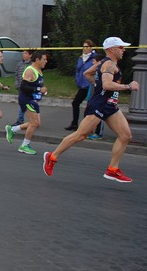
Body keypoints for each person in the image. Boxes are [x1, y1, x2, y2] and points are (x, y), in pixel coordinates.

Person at [43, 37, 139, 183]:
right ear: (112, 49)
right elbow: (107, 85)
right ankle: (52, 156)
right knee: (81, 135)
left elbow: (87, 73)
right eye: (121, 47)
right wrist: (128, 86)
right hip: (100, 104)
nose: (123, 50)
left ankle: (112, 170)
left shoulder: (105, 63)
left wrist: (97, 84)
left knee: (125, 136)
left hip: (110, 105)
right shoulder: (108, 64)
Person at [4, 50, 48, 155]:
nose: (46, 62)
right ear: (37, 60)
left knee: (37, 123)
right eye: (44, 59)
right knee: (34, 123)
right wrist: (38, 89)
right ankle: (24, 145)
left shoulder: (39, 70)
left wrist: (42, 91)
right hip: (26, 99)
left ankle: (12, 129)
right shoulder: (30, 70)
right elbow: (23, 86)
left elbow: (35, 86)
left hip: (33, 100)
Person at [64, 39, 96, 131]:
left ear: (91, 48)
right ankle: (74, 123)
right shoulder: (81, 58)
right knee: (75, 103)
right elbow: (78, 70)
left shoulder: (94, 58)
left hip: (90, 85)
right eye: (84, 46)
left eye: (87, 47)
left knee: (90, 106)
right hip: (82, 85)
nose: (85, 49)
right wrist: (77, 79)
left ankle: (87, 126)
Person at [84, 54, 106, 140]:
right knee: (89, 114)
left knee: (100, 115)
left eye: (94, 61)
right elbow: (86, 74)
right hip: (93, 97)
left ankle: (98, 133)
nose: (92, 63)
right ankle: (86, 131)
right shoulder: (95, 72)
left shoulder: (103, 71)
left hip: (100, 98)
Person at [12, 49, 32, 126]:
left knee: (31, 104)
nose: (24, 55)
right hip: (21, 87)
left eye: (26, 53)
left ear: (30, 55)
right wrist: (17, 84)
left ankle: (33, 120)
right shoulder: (19, 64)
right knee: (22, 103)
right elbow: (16, 74)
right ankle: (20, 120)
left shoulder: (32, 65)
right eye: (23, 53)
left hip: (30, 88)